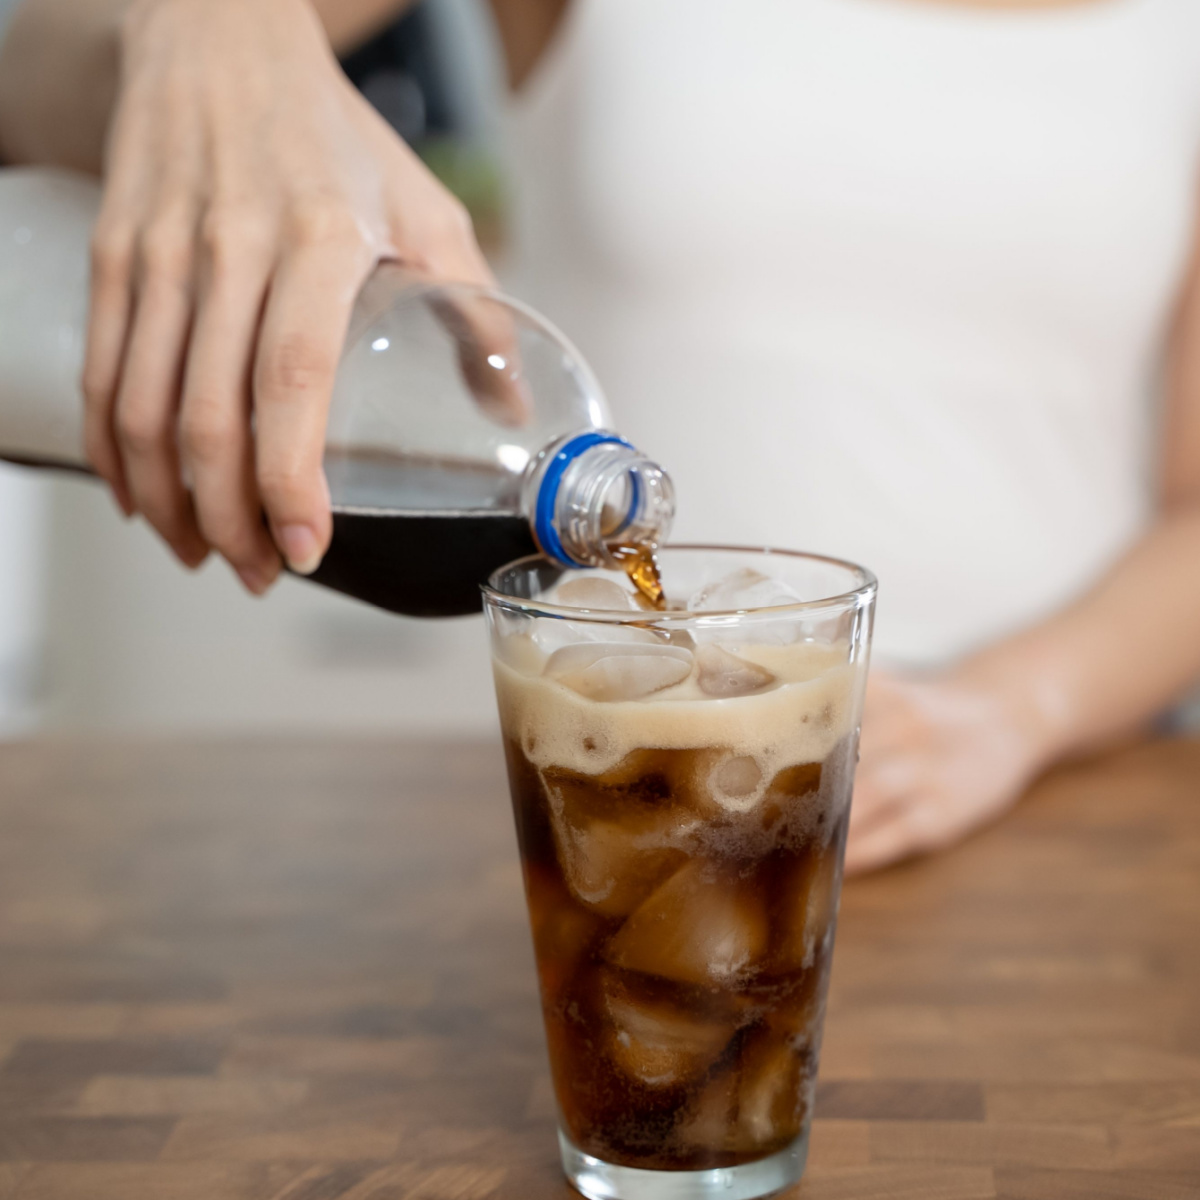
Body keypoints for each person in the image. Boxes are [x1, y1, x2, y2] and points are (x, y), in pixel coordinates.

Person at [1, 0, 1197, 874]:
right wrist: (197, 30)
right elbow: (30, 72)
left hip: (1059, 800)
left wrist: (1010, 713)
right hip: (619, 794)